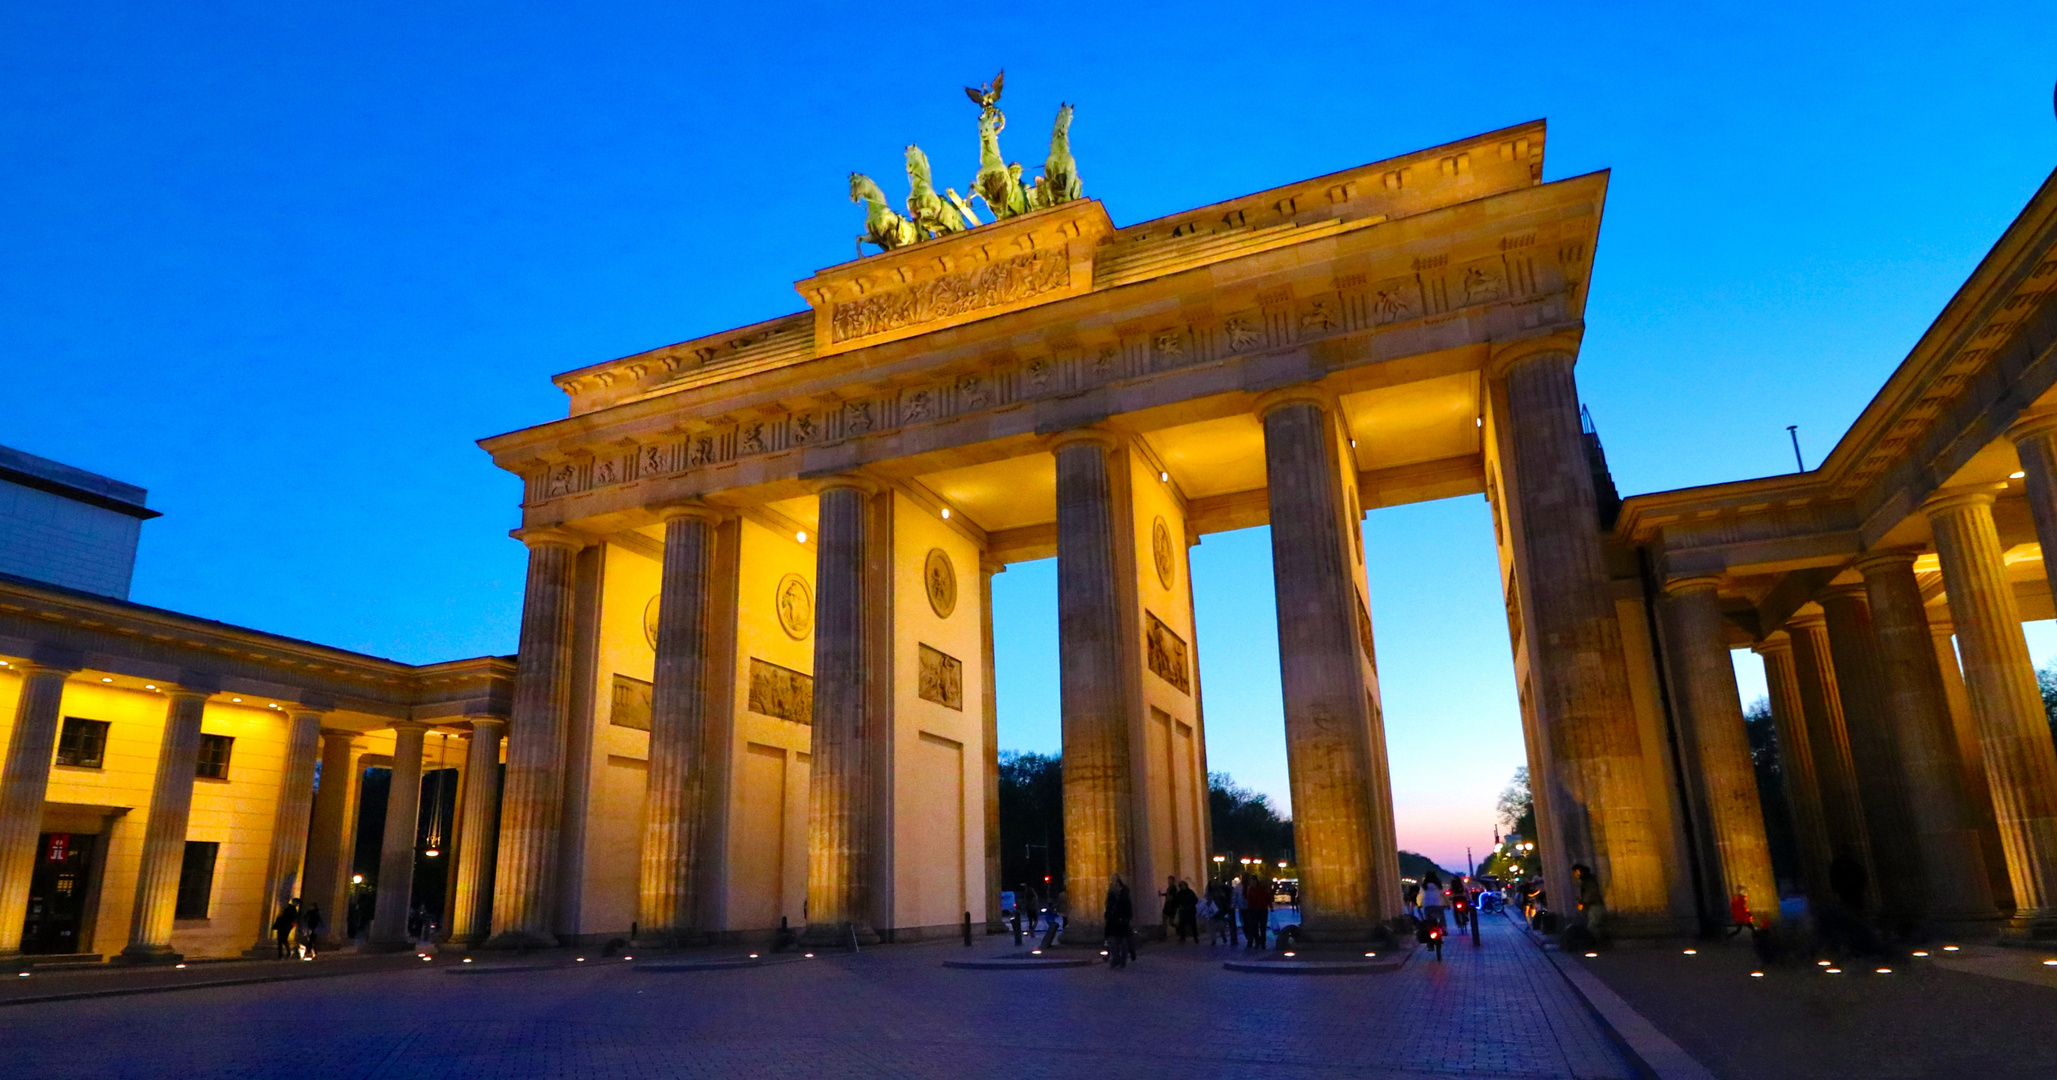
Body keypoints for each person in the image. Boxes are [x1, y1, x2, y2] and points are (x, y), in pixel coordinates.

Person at [1104, 875, 1135, 969]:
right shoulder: (1111, 895)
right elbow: (1108, 906)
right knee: (1113, 941)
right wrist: (1107, 916)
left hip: (1122, 923)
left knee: (1124, 943)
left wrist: (1127, 919)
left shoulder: (1124, 895)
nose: (1113, 885)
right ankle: (1115, 959)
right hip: (1113, 922)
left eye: (1114, 883)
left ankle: (1123, 960)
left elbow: (1128, 908)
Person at [1243, 873, 1271, 950]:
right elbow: (1245, 896)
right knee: (1255, 927)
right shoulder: (1250, 889)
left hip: (1261, 909)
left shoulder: (1261, 888)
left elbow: (1267, 897)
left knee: (1262, 927)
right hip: (1254, 909)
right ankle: (1258, 941)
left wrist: (1270, 906)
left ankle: (1262, 942)